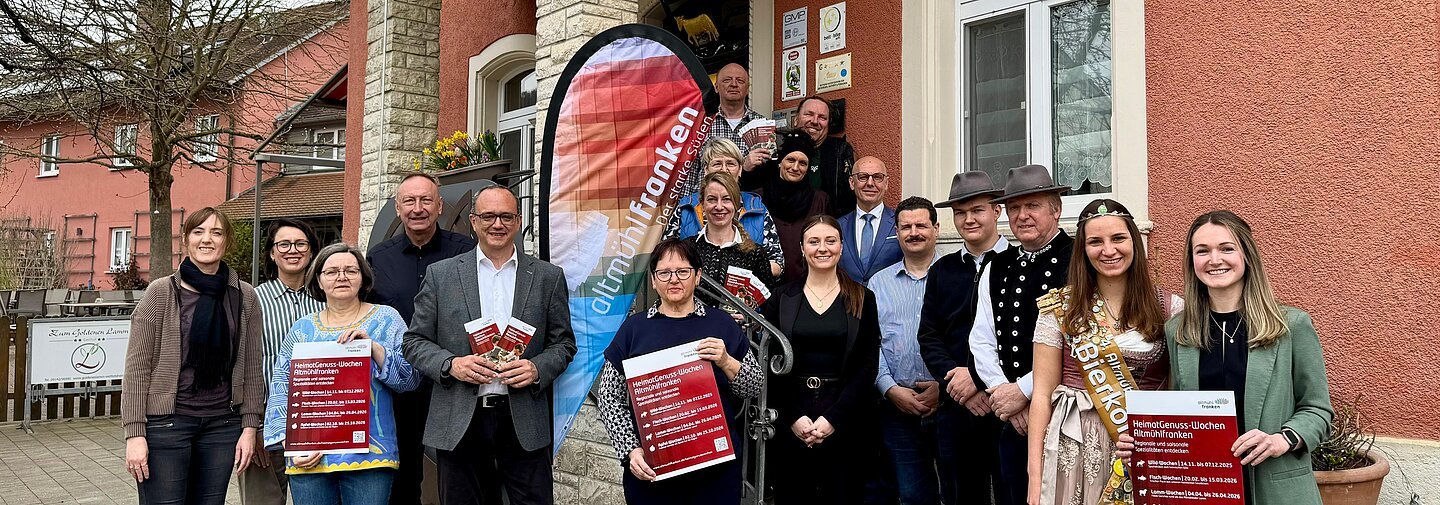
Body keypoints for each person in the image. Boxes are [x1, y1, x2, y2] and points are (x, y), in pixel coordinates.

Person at [1117, 210, 1333, 505]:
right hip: (1207, 491)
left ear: (1246, 255)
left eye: (1226, 248)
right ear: (1192, 262)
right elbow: (1180, 420)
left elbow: (1318, 409)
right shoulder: (1178, 331)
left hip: (1276, 489)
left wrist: (1282, 439)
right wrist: (1144, 445)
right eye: (1202, 251)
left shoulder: (1291, 326)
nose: (1214, 260)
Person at [402, 185, 577, 505]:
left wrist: (537, 368)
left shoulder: (547, 277)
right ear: (473, 221)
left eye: (506, 216)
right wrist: (451, 364)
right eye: (488, 216)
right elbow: (414, 342)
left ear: (518, 220)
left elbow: (563, 343)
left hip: (522, 417)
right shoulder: (441, 275)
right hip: (459, 418)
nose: (498, 224)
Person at [1025, 199, 1181, 505]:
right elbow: (1041, 396)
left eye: (1118, 239)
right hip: (1074, 446)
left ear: (1134, 241)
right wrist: (1034, 478)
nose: (1108, 250)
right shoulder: (1059, 310)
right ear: (1083, 250)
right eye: (1095, 242)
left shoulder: (1171, 308)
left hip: (1143, 446)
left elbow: (1177, 388)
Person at [594, 239, 765, 504]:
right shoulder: (634, 329)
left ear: (697, 276)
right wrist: (630, 449)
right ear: (653, 280)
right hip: (654, 470)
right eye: (664, 272)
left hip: (715, 473)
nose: (674, 279)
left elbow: (753, 386)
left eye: (683, 271)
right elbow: (609, 396)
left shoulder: (722, 323)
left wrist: (726, 361)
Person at [121, 207, 264, 505]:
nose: (207, 240)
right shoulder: (160, 293)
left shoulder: (245, 296)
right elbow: (137, 368)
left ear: (227, 241)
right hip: (167, 425)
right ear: (186, 240)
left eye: (216, 232)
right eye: (198, 232)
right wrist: (135, 434)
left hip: (222, 426)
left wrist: (249, 426)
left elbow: (252, 366)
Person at [263, 243, 420, 505]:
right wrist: (292, 447)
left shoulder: (386, 319)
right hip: (309, 457)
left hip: (370, 456)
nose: (342, 276)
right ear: (319, 280)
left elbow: (412, 379)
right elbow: (281, 387)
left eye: (351, 270)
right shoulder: (302, 329)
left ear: (364, 278)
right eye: (332, 271)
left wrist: (375, 349)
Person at [366, 171, 476, 505]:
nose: (418, 208)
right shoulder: (378, 257)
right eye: (409, 201)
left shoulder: (466, 252)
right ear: (398, 208)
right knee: (403, 475)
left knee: (460, 471)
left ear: (439, 205)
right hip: (398, 381)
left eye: (426, 200)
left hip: (453, 379)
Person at [968, 165, 1073, 505]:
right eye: (1014, 208)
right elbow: (981, 340)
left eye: (1033, 206)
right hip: (1013, 421)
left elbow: (1080, 341)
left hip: (1065, 415)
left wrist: (1026, 391)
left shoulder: (1079, 261)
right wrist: (1006, 398)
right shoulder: (996, 265)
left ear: (1055, 209)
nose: (1022, 215)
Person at [761, 215, 880, 505]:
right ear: (802, 248)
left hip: (844, 418)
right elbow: (768, 363)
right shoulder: (781, 298)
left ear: (841, 247)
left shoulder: (863, 298)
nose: (822, 248)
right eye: (814, 241)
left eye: (830, 241)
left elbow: (868, 365)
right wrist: (793, 417)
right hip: (794, 417)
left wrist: (834, 419)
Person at [917, 172, 1009, 504]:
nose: (968, 219)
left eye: (977, 210)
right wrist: (959, 384)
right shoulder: (943, 271)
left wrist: (983, 382)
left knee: (1011, 490)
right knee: (960, 494)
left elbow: (1025, 338)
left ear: (996, 210)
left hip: (1006, 406)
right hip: (956, 406)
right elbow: (929, 335)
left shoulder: (1014, 266)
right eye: (959, 212)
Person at [241, 219, 326, 505]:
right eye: (284, 244)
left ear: (312, 251)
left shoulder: (328, 301)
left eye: (301, 243)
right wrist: (252, 426)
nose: (293, 250)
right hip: (266, 426)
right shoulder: (251, 300)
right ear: (272, 253)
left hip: (319, 427)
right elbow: (244, 365)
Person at [870, 196, 946, 505]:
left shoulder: (956, 275)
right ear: (897, 232)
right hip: (897, 408)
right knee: (912, 496)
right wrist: (889, 389)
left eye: (921, 225)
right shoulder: (878, 283)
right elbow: (870, 344)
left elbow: (969, 339)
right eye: (906, 227)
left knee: (959, 490)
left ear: (936, 229)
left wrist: (945, 387)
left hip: (951, 404)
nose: (913, 232)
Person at [666, 138, 785, 278]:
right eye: (717, 163)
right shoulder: (685, 207)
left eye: (730, 164)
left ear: (740, 169)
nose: (724, 169)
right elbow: (666, 257)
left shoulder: (757, 208)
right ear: (705, 170)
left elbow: (777, 263)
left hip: (741, 296)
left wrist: (741, 274)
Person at [686, 172, 779, 305]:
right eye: (712, 199)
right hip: (694, 325)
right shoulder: (687, 248)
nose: (719, 206)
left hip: (738, 326)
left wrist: (749, 315)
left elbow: (769, 306)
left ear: (736, 204)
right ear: (702, 204)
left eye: (726, 199)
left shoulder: (755, 253)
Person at [753, 130, 830, 284]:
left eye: (802, 163)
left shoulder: (820, 200)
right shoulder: (757, 199)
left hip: (806, 284)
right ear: (780, 161)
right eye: (791, 160)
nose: (795, 167)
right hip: (764, 284)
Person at [681, 63, 770, 194]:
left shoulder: (762, 125)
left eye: (740, 81)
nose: (734, 84)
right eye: (727, 80)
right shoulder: (699, 123)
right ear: (716, 87)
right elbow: (688, 171)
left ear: (747, 88)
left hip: (745, 206)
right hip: (703, 204)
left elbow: (768, 175)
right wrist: (684, 207)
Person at [838, 156, 901, 285]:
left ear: (886, 183)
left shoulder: (901, 223)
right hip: (847, 301)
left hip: (888, 302)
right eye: (863, 177)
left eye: (877, 177)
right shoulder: (837, 226)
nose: (870, 183)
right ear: (851, 182)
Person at [794, 95, 856, 217]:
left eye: (822, 117)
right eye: (809, 114)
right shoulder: (779, 151)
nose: (815, 121)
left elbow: (853, 197)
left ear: (828, 125)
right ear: (795, 119)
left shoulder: (841, 151)